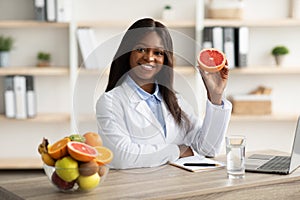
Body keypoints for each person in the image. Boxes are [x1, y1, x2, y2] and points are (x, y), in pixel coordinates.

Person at [96, 18, 232, 169]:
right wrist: (177, 150)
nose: (149, 57)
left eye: (158, 52)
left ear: (165, 59)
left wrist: (215, 96)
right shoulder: (110, 101)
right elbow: (121, 156)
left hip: (175, 187)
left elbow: (207, 149)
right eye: (141, 49)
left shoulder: (175, 100)